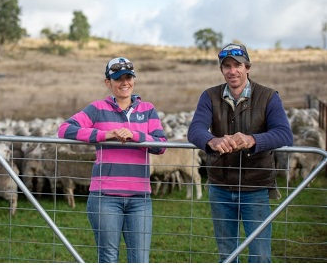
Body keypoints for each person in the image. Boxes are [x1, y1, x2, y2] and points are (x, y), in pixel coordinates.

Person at [187, 43, 293, 263]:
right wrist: (212, 140)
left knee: (260, 253)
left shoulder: (268, 97)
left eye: (237, 65)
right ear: (221, 70)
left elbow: (284, 134)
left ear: (248, 67)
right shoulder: (209, 96)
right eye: (226, 66)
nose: (232, 70)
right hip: (220, 187)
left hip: (255, 187)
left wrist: (252, 139)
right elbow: (195, 130)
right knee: (227, 253)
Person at [57, 56, 167, 263]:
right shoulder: (98, 108)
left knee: (140, 259)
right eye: (118, 78)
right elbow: (64, 129)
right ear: (108, 82)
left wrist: (135, 136)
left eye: (128, 77)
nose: (125, 83)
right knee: (108, 258)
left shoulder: (148, 110)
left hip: (140, 199)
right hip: (105, 197)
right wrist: (104, 135)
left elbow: (161, 145)